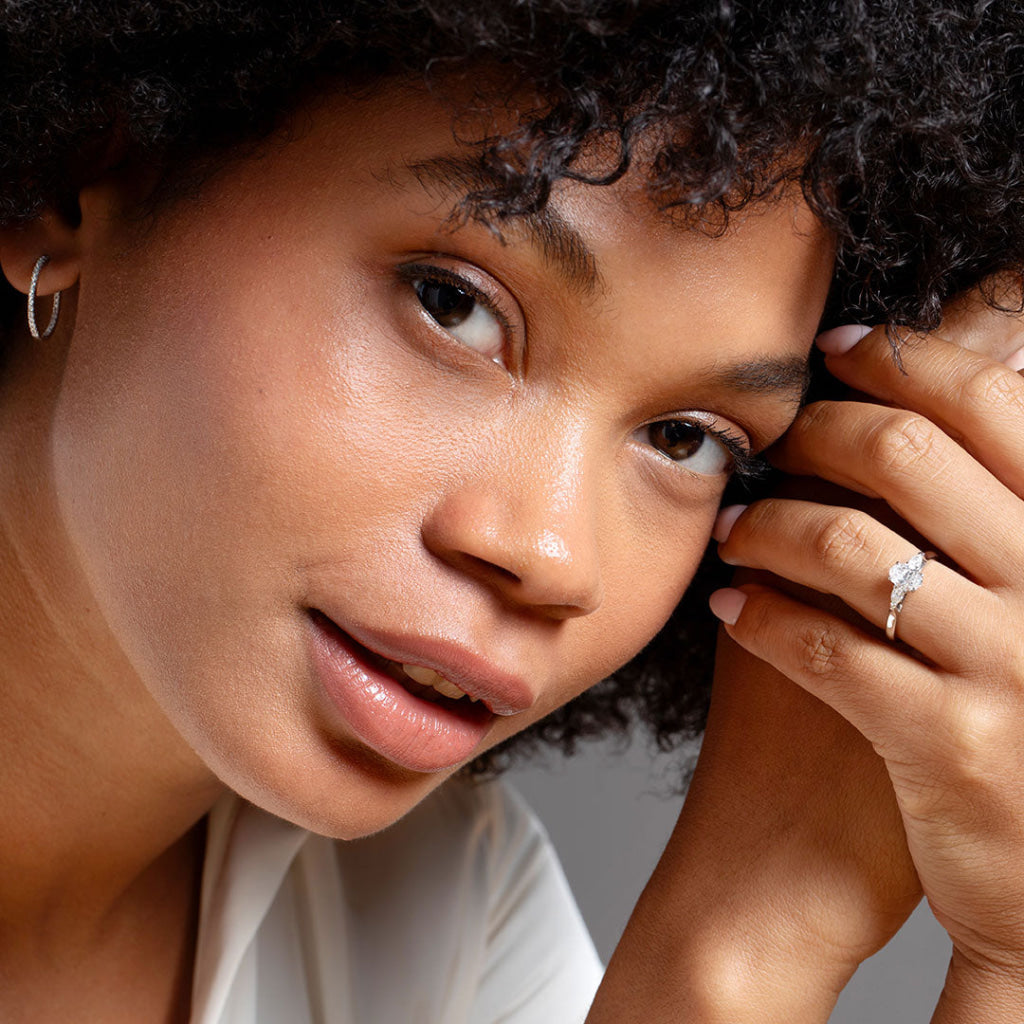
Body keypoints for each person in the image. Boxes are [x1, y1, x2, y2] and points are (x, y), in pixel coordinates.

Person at [0, 1, 1021, 1021]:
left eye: (685, 437)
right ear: (83, 168)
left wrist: (746, 940)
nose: (553, 554)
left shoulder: (447, 923)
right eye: (455, 304)